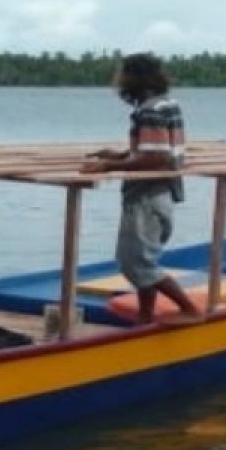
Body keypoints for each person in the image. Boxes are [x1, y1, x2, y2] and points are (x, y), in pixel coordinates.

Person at [81, 52, 200, 324]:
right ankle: (146, 317)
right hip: (162, 193)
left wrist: (108, 168)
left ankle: (190, 310)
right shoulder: (167, 104)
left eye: (121, 75)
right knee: (143, 259)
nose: (118, 80)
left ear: (135, 78)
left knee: (135, 263)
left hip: (146, 197)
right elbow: (157, 149)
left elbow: (156, 158)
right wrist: (121, 155)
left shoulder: (148, 111)